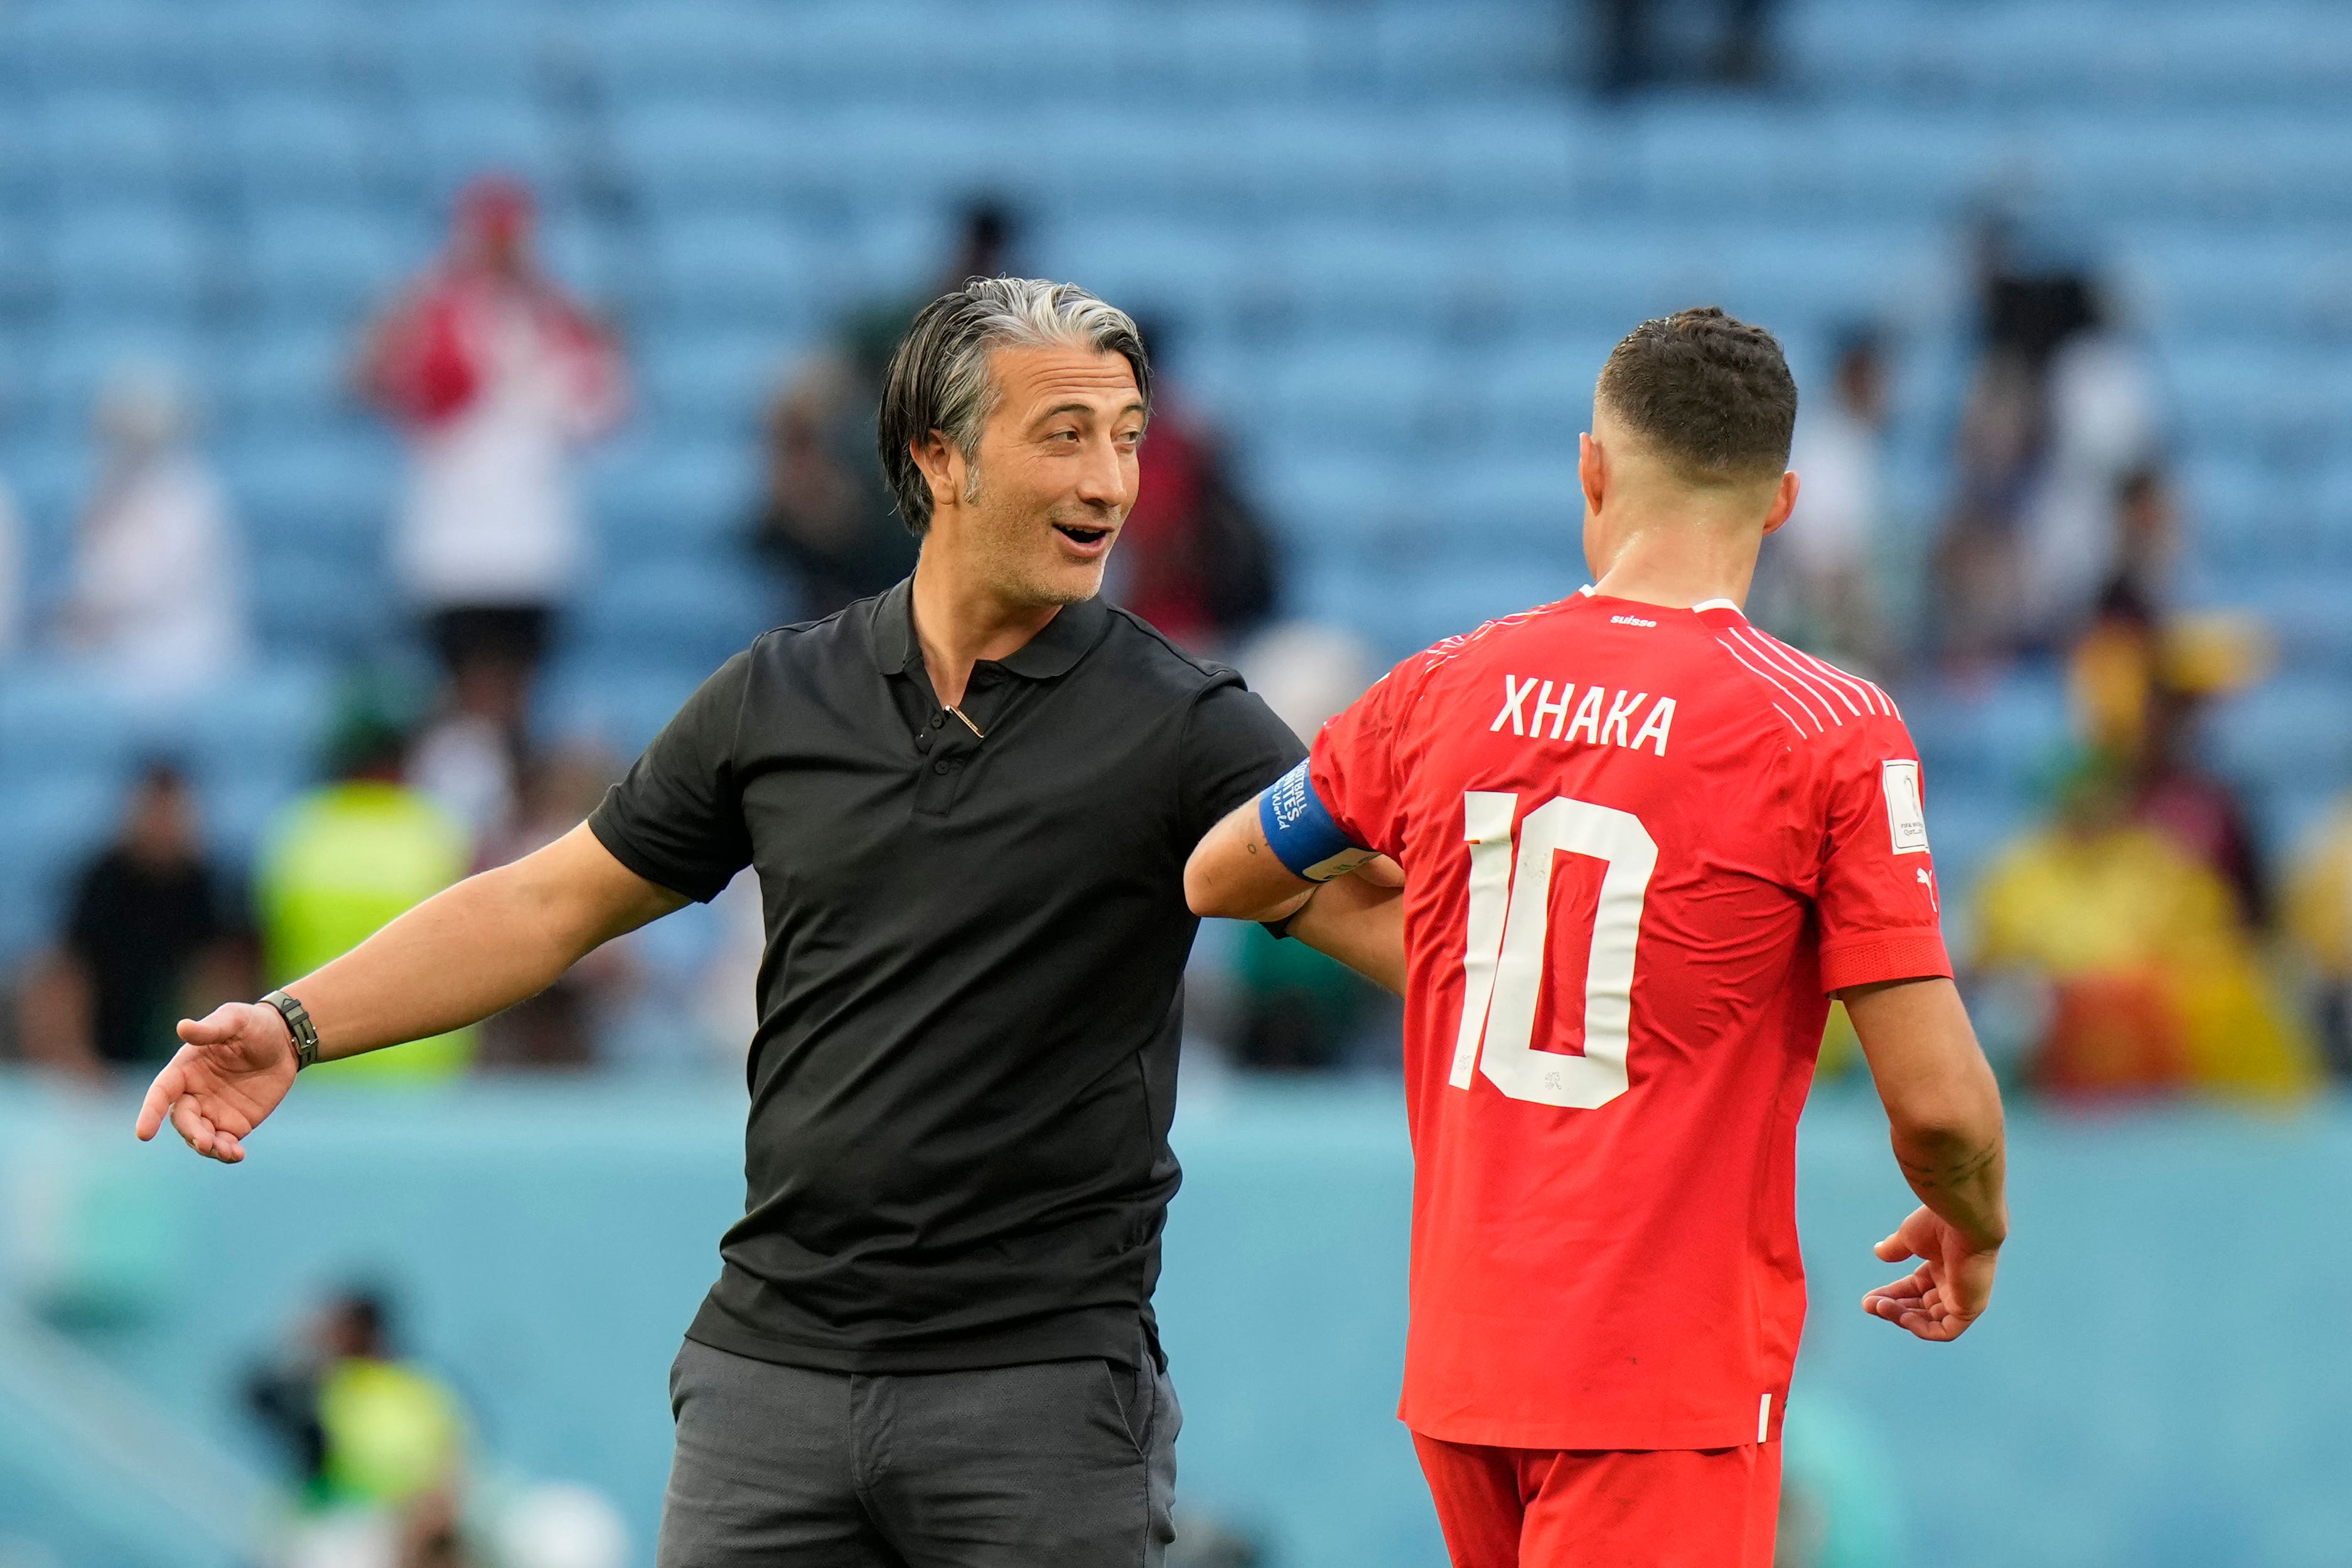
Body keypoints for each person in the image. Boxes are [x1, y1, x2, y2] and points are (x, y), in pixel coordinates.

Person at [135, 278, 1400, 1567]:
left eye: (1127, 436)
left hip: (1038, 1400)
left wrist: (1602, 1021)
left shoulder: (1183, 723)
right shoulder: (779, 698)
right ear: (938, 456)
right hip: (769, 1386)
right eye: (1066, 433)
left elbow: (1386, 923)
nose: (1112, 481)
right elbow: (549, 899)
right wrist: (297, 1022)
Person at [1186, 308, 2009, 1567]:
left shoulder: (1442, 684)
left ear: (1591, 470)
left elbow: (1222, 871)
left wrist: (1443, 956)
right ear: (1781, 502)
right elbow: (1942, 1108)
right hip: (1656, 1380)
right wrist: (1973, 1220)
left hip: (1468, 1366)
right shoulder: (1826, 729)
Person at [358, 173, 626, 704]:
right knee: (458, 689)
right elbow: (374, 380)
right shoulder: (433, 315)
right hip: (453, 545)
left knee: (521, 693)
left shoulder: (557, 322)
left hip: (534, 544)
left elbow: (604, 407)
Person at [254, 697, 476, 1081]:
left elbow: (260, 951)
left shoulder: (297, 833)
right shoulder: (438, 833)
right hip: (423, 1075)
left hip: (311, 1066)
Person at [15, 761, 250, 1078]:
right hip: (101, 1057)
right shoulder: (102, 882)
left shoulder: (207, 885)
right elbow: (63, 975)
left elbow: (227, 973)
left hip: (171, 1042)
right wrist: (71, 1057)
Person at [55, 363, 248, 689]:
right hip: (115, 651)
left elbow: (145, 591)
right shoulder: (103, 490)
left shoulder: (191, 496)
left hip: (184, 649)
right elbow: (91, 584)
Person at [1758, 328, 1889, 672]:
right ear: (1856, 379)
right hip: (1812, 615)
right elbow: (1817, 561)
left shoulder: (1861, 445)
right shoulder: (1827, 451)